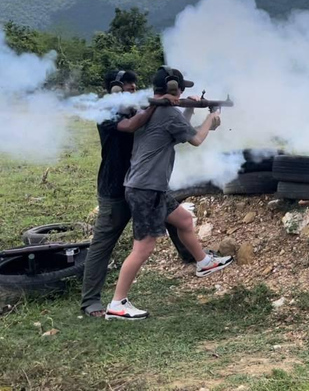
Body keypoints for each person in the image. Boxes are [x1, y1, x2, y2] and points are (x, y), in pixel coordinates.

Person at [105, 66, 231, 321]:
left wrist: (191, 108)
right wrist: (211, 118)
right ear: (175, 89)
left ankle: (204, 262)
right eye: (182, 89)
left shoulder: (153, 110)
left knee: (184, 220)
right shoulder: (164, 112)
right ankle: (117, 303)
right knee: (143, 248)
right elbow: (195, 139)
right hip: (146, 188)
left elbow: (175, 130)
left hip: (149, 186)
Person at [80, 70, 183, 318]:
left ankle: (193, 259)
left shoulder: (136, 105)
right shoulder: (106, 111)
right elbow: (131, 126)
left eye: (133, 82)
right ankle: (91, 301)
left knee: (178, 219)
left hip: (145, 184)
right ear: (114, 88)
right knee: (103, 244)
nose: (133, 86)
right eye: (126, 84)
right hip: (115, 188)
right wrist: (154, 106)